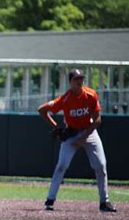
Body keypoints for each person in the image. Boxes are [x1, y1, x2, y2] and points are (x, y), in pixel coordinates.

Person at [37, 69, 116, 212]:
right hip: (72, 132)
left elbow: (97, 120)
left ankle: (104, 202)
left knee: (100, 166)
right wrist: (57, 127)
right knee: (62, 165)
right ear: (70, 82)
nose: (79, 81)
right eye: (76, 79)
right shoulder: (65, 99)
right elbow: (42, 109)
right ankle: (50, 200)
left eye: (81, 78)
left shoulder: (91, 94)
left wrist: (84, 138)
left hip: (89, 131)